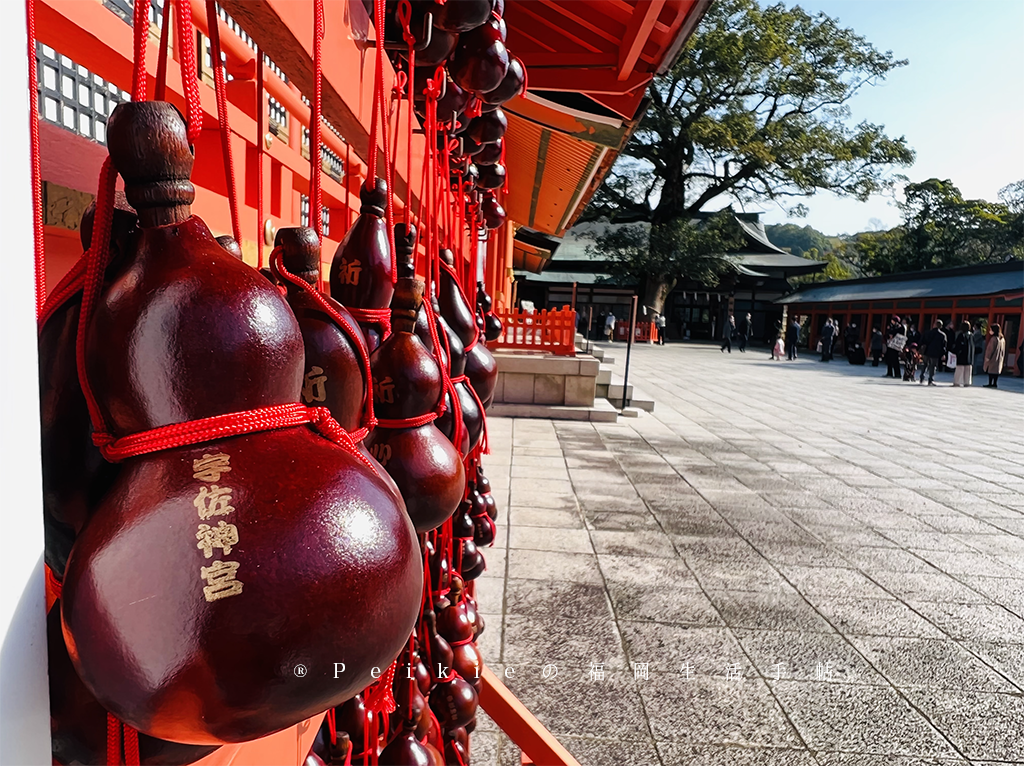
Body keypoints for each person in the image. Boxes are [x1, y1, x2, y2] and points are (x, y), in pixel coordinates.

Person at [920, 318, 947, 386]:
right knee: (933, 366)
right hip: (935, 352)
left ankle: (921, 377)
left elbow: (922, 341)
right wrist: (943, 354)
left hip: (927, 351)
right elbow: (943, 345)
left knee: (925, 364)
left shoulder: (927, 333)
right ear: (941, 326)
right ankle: (930, 379)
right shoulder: (942, 335)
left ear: (934, 325)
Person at [952, 321, 975, 387]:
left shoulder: (961, 335)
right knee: (968, 370)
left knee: (959, 369)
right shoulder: (971, 335)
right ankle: (967, 382)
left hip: (961, 355)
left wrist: (955, 352)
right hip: (969, 356)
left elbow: (958, 346)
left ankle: (957, 382)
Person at [983, 324, 1006, 388]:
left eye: (991, 329)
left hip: (993, 357)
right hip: (999, 357)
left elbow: (990, 349)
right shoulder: (1002, 339)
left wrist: (988, 357)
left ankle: (990, 383)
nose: (990, 331)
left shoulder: (993, 339)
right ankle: (995, 383)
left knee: (991, 370)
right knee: (996, 370)